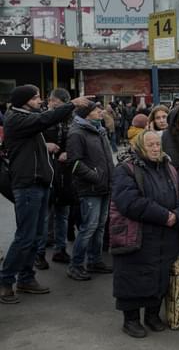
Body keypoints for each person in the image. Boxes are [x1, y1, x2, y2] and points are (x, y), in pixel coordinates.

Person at [0, 85, 92, 304]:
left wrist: (46, 145)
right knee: (25, 236)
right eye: (36, 97)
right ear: (24, 100)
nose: (41, 100)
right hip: (27, 185)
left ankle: (26, 278)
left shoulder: (28, 117)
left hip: (40, 184)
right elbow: (43, 121)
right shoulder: (16, 118)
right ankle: (5, 281)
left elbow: (38, 129)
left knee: (36, 235)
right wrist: (72, 104)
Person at [111, 130, 179, 338]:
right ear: (140, 147)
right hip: (138, 234)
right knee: (133, 276)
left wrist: (178, 214)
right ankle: (131, 320)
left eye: (158, 144)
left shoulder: (169, 167)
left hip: (166, 235)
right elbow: (130, 202)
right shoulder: (126, 169)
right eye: (151, 145)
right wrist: (166, 216)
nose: (156, 149)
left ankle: (152, 315)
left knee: (160, 274)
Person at [66, 102, 115, 281]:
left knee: (100, 226)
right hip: (90, 188)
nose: (100, 112)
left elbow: (107, 158)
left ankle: (95, 260)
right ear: (87, 114)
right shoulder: (77, 133)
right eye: (96, 110)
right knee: (89, 227)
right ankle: (76, 265)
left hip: (104, 187)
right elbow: (75, 163)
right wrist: (96, 177)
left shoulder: (98, 130)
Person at [44, 88, 75, 266]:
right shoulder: (42, 119)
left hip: (64, 171)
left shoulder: (71, 120)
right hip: (47, 171)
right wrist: (45, 145)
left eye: (53, 100)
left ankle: (60, 249)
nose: (50, 103)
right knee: (46, 212)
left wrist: (68, 153)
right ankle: (41, 250)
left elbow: (75, 142)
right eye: (50, 101)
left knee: (62, 212)